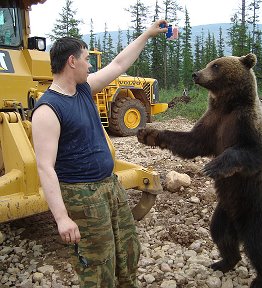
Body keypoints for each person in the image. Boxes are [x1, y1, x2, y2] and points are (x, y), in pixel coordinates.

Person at [31, 20, 168, 287]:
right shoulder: (48, 110)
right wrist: (61, 218)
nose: (90, 65)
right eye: (86, 59)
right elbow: (45, 167)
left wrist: (147, 34)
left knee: (128, 249)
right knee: (98, 263)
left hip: (109, 185)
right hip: (82, 195)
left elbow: (118, 65)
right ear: (72, 61)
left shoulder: (82, 89)